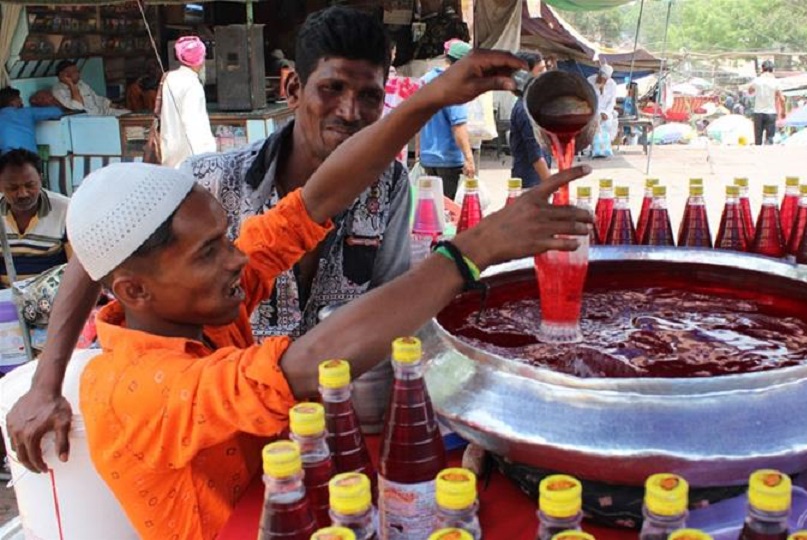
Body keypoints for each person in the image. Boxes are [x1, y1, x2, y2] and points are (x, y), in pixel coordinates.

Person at [66, 49, 590, 539]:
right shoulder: (137, 388)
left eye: (226, 239)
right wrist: (472, 249)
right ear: (134, 290)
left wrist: (430, 99)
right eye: (208, 252)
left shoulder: (193, 307)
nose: (237, 258)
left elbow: (317, 199)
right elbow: (309, 362)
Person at [4, 7, 414, 472]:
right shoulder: (209, 181)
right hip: (228, 433)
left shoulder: (388, 185)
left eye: (369, 97)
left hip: (345, 425)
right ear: (293, 89)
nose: (350, 112)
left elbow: (389, 303)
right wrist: (45, 383)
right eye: (332, 88)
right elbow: (100, 245)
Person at [0, 150, 71, 286]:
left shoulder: (66, 210)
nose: (23, 194)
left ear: (41, 179)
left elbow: (77, 269)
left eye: (30, 185)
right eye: (13, 188)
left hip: (53, 296)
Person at [419, 38, 476, 198]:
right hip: (448, 159)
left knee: (431, 208)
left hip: (428, 157)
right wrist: (469, 158)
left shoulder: (426, 80)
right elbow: (458, 126)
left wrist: (419, 151)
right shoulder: (455, 86)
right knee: (446, 212)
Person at [160, 36, 217, 168]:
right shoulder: (192, 84)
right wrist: (203, 158)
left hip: (170, 153)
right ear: (200, 60)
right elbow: (193, 124)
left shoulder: (170, 78)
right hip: (190, 158)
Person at [509, 50, 551, 189]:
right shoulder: (526, 110)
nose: (545, 75)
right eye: (540, 70)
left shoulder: (533, 105)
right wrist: (553, 187)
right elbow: (536, 156)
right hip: (530, 185)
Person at [0, 87, 63, 155]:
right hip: (29, 157)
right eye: (18, 98)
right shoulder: (27, 112)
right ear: (12, 102)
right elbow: (57, 112)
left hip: (7, 158)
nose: (21, 100)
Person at [51, 60, 124, 115]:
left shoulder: (81, 84)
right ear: (63, 75)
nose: (78, 74)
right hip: (90, 118)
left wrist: (115, 105)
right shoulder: (59, 90)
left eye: (77, 71)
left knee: (129, 114)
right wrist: (71, 85)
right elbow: (78, 106)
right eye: (74, 72)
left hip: (103, 112)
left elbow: (96, 98)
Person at [747, 60, 784, 145]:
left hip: (758, 113)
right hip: (771, 113)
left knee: (758, 138)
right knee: (769, 138)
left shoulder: (757, 80)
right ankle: (767, 156)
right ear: (772, 69)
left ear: (762, 69)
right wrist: (783, 112)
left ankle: (758, 156)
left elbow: (750, 91)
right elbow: (782, 99)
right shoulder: (775, 81)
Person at [587, 64, 618, 157]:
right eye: (601, 78)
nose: (602, 80)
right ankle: (596, 150)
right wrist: (598, 113)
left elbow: (612, 102)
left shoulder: (612, 84)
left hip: (607, 112)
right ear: (598, 74)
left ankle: (605, 150)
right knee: (594, 124)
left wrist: (606, 113)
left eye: (605, 79)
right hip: (593, 110)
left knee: (608, 123)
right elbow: (589, 99)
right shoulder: (590, 81)